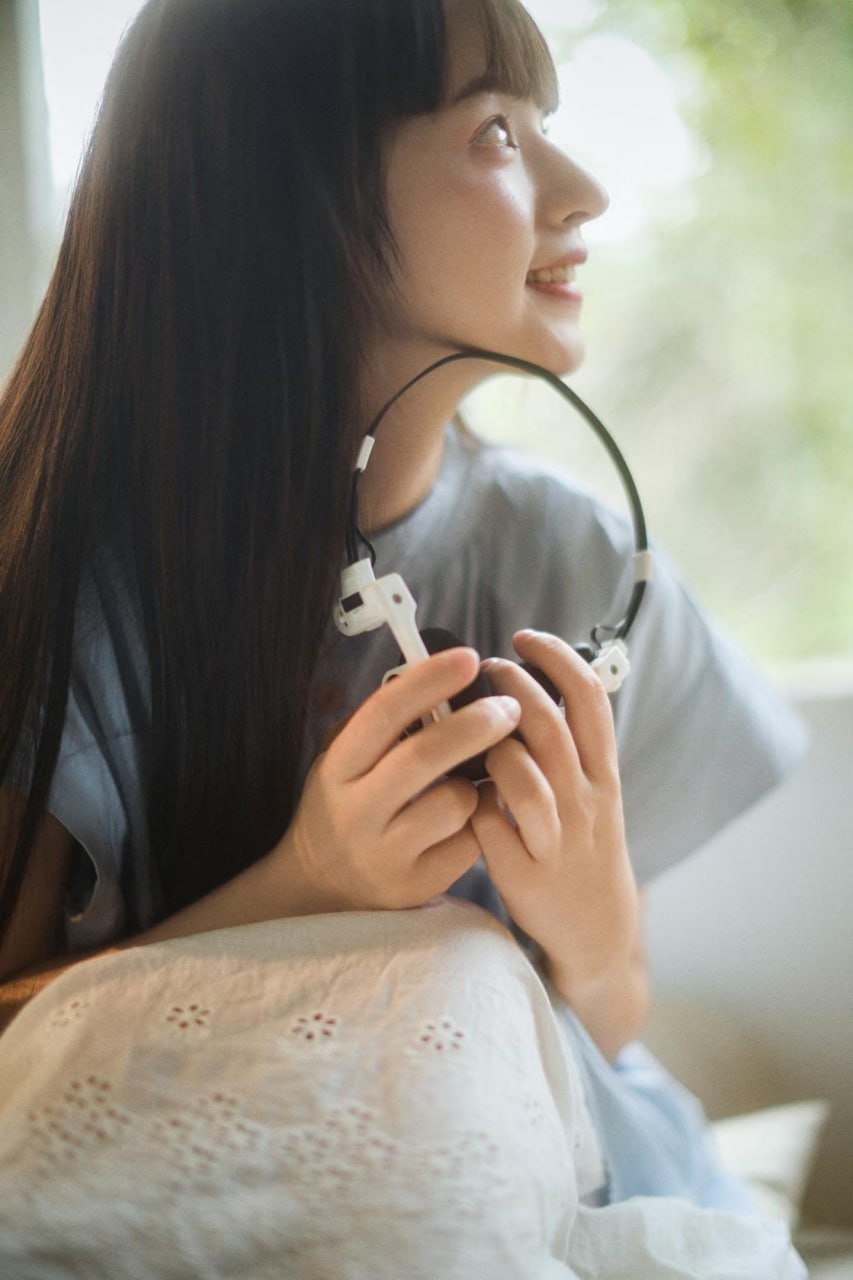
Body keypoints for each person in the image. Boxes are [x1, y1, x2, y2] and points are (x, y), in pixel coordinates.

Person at [0, 0, 803, 1209]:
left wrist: (588, 918)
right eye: (494, 132)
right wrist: (304, 885)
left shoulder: (583, 559)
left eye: (548, 126)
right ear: (290, 202)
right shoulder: (69, 582)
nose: (583, 191)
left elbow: (614, 1019)